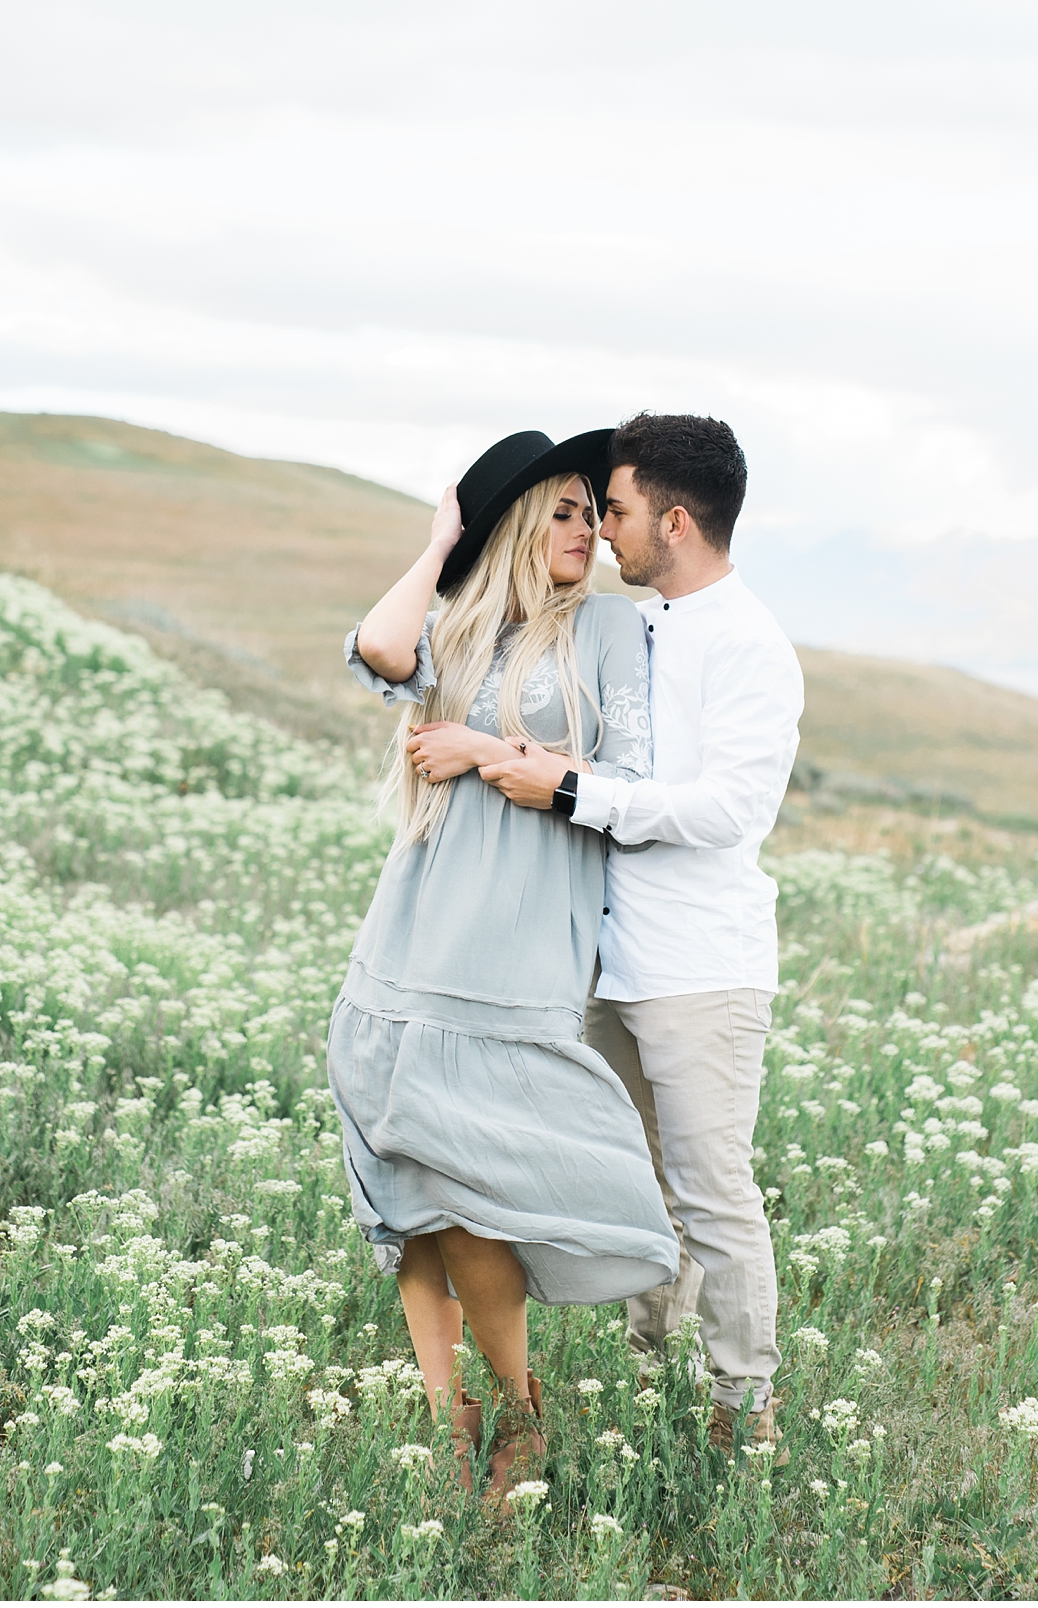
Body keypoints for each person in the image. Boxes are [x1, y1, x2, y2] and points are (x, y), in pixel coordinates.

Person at [329, 427, 678, 1497]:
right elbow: (382, 651)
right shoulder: (461, 627)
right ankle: (448, 1415)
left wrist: (484, 752)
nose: (585, 531)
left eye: (592, 512)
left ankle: (518, 1409)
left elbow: (625, 774)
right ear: (523, 526)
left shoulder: (608, 633)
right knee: (412, 1172)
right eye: (565, 512)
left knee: (479, 1181)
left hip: (522, 938)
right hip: (415, 923)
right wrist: (441, 544)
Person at [481, 412, 803, 1459]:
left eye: (614, 510)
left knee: (713, 1194)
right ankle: (650, 1371)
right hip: (610, 960)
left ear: (673, 518)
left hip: (701, 969)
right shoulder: (634, 626)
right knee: (636, 1184)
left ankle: (742, 1412)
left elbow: (725, 811)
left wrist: (574, 790)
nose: (603, 530)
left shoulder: (749, 643)